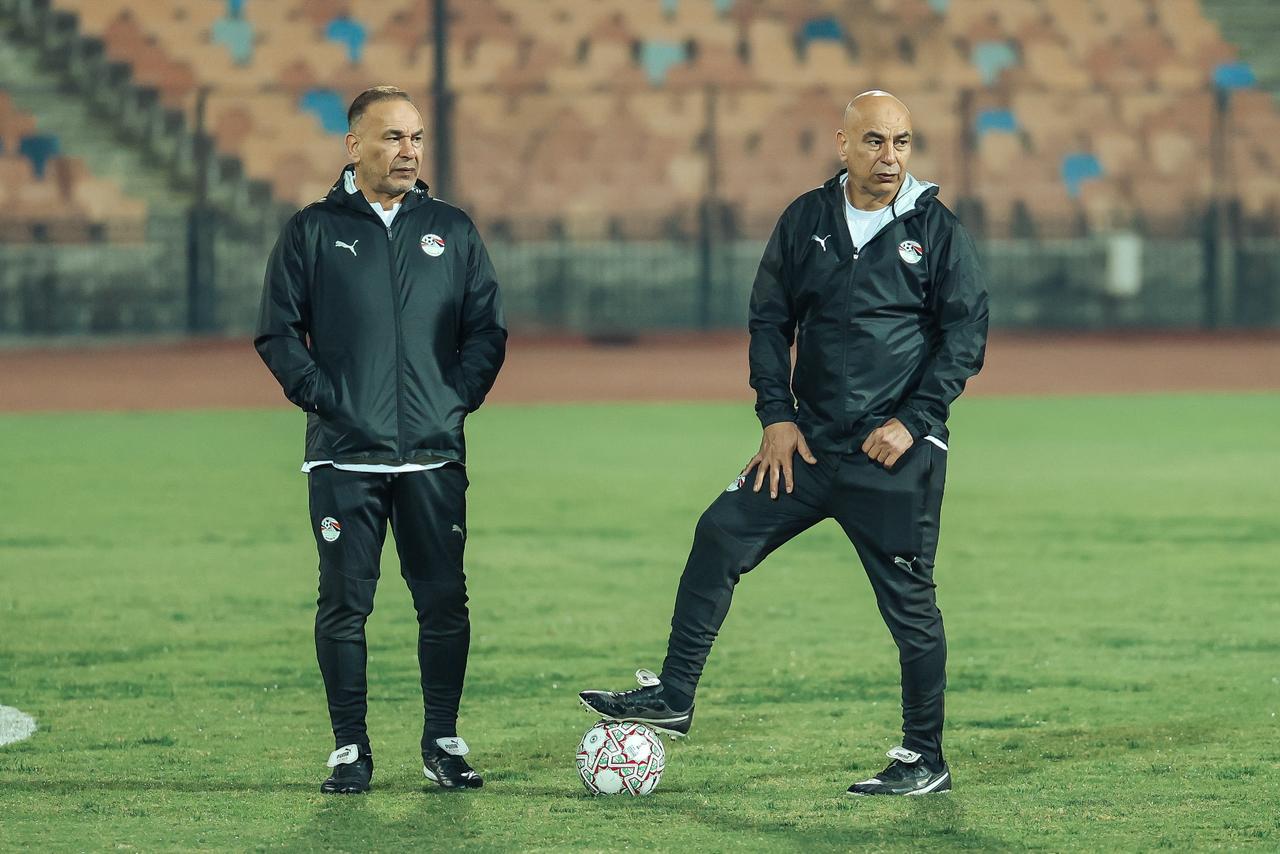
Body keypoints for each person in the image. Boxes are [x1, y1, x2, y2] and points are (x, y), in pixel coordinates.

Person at [579, 91, 988, 796]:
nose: (889, 157)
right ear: (842, 143)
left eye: (901, 142)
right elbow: (769, 322)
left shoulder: (937, 230)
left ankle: (925, 758)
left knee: (911, 606)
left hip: (893, 457)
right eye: (874, 141)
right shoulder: (806, 220)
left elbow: (966, 334)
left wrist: (915, 419)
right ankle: (674, 695)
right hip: (806, 449)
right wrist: (777, 416)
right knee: (720, 532)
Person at [255, 86, 506, 794]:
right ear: (354, 145)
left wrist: (454, 399)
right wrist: (328, 399)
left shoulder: (452, 229)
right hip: (343, 456)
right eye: (392, 137)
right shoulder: (311, 230)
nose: (408, 151)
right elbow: (277, 332)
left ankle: (443, 741)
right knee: (344, 605)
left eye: (416, 137)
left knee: (444, 603)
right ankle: (349, 748)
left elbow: (486, 330)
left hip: (433, 454)